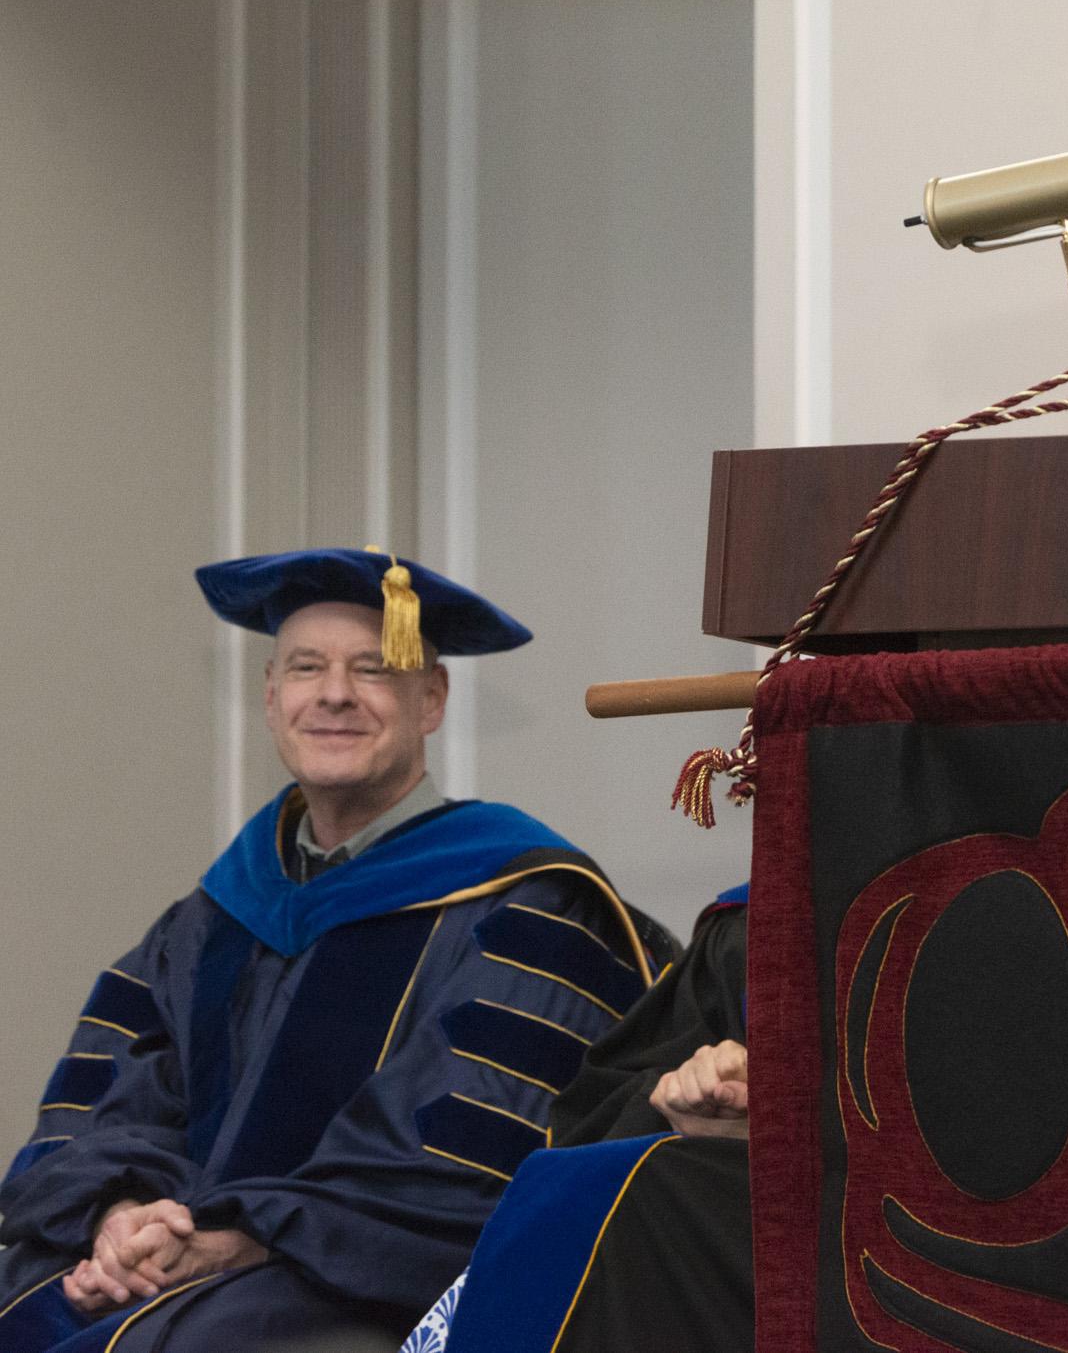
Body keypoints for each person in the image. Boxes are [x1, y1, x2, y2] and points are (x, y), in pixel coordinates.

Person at [0, 550, 665, 1353]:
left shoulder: (529, 907)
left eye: (374, 670)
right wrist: (122, 1218)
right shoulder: (211, 917)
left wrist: (241, 1238)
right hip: (181, 1270)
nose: (336, 694)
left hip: (377, 1288)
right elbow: (103, 1108)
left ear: (431, 700)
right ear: (273, 696)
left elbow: (468, 1169)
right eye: (308, 668)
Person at [400, 888, 750, 1353]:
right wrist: (678, 1101)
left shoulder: (544, 891)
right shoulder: (753, 926)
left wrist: (785, 1123)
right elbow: (601, 1111)